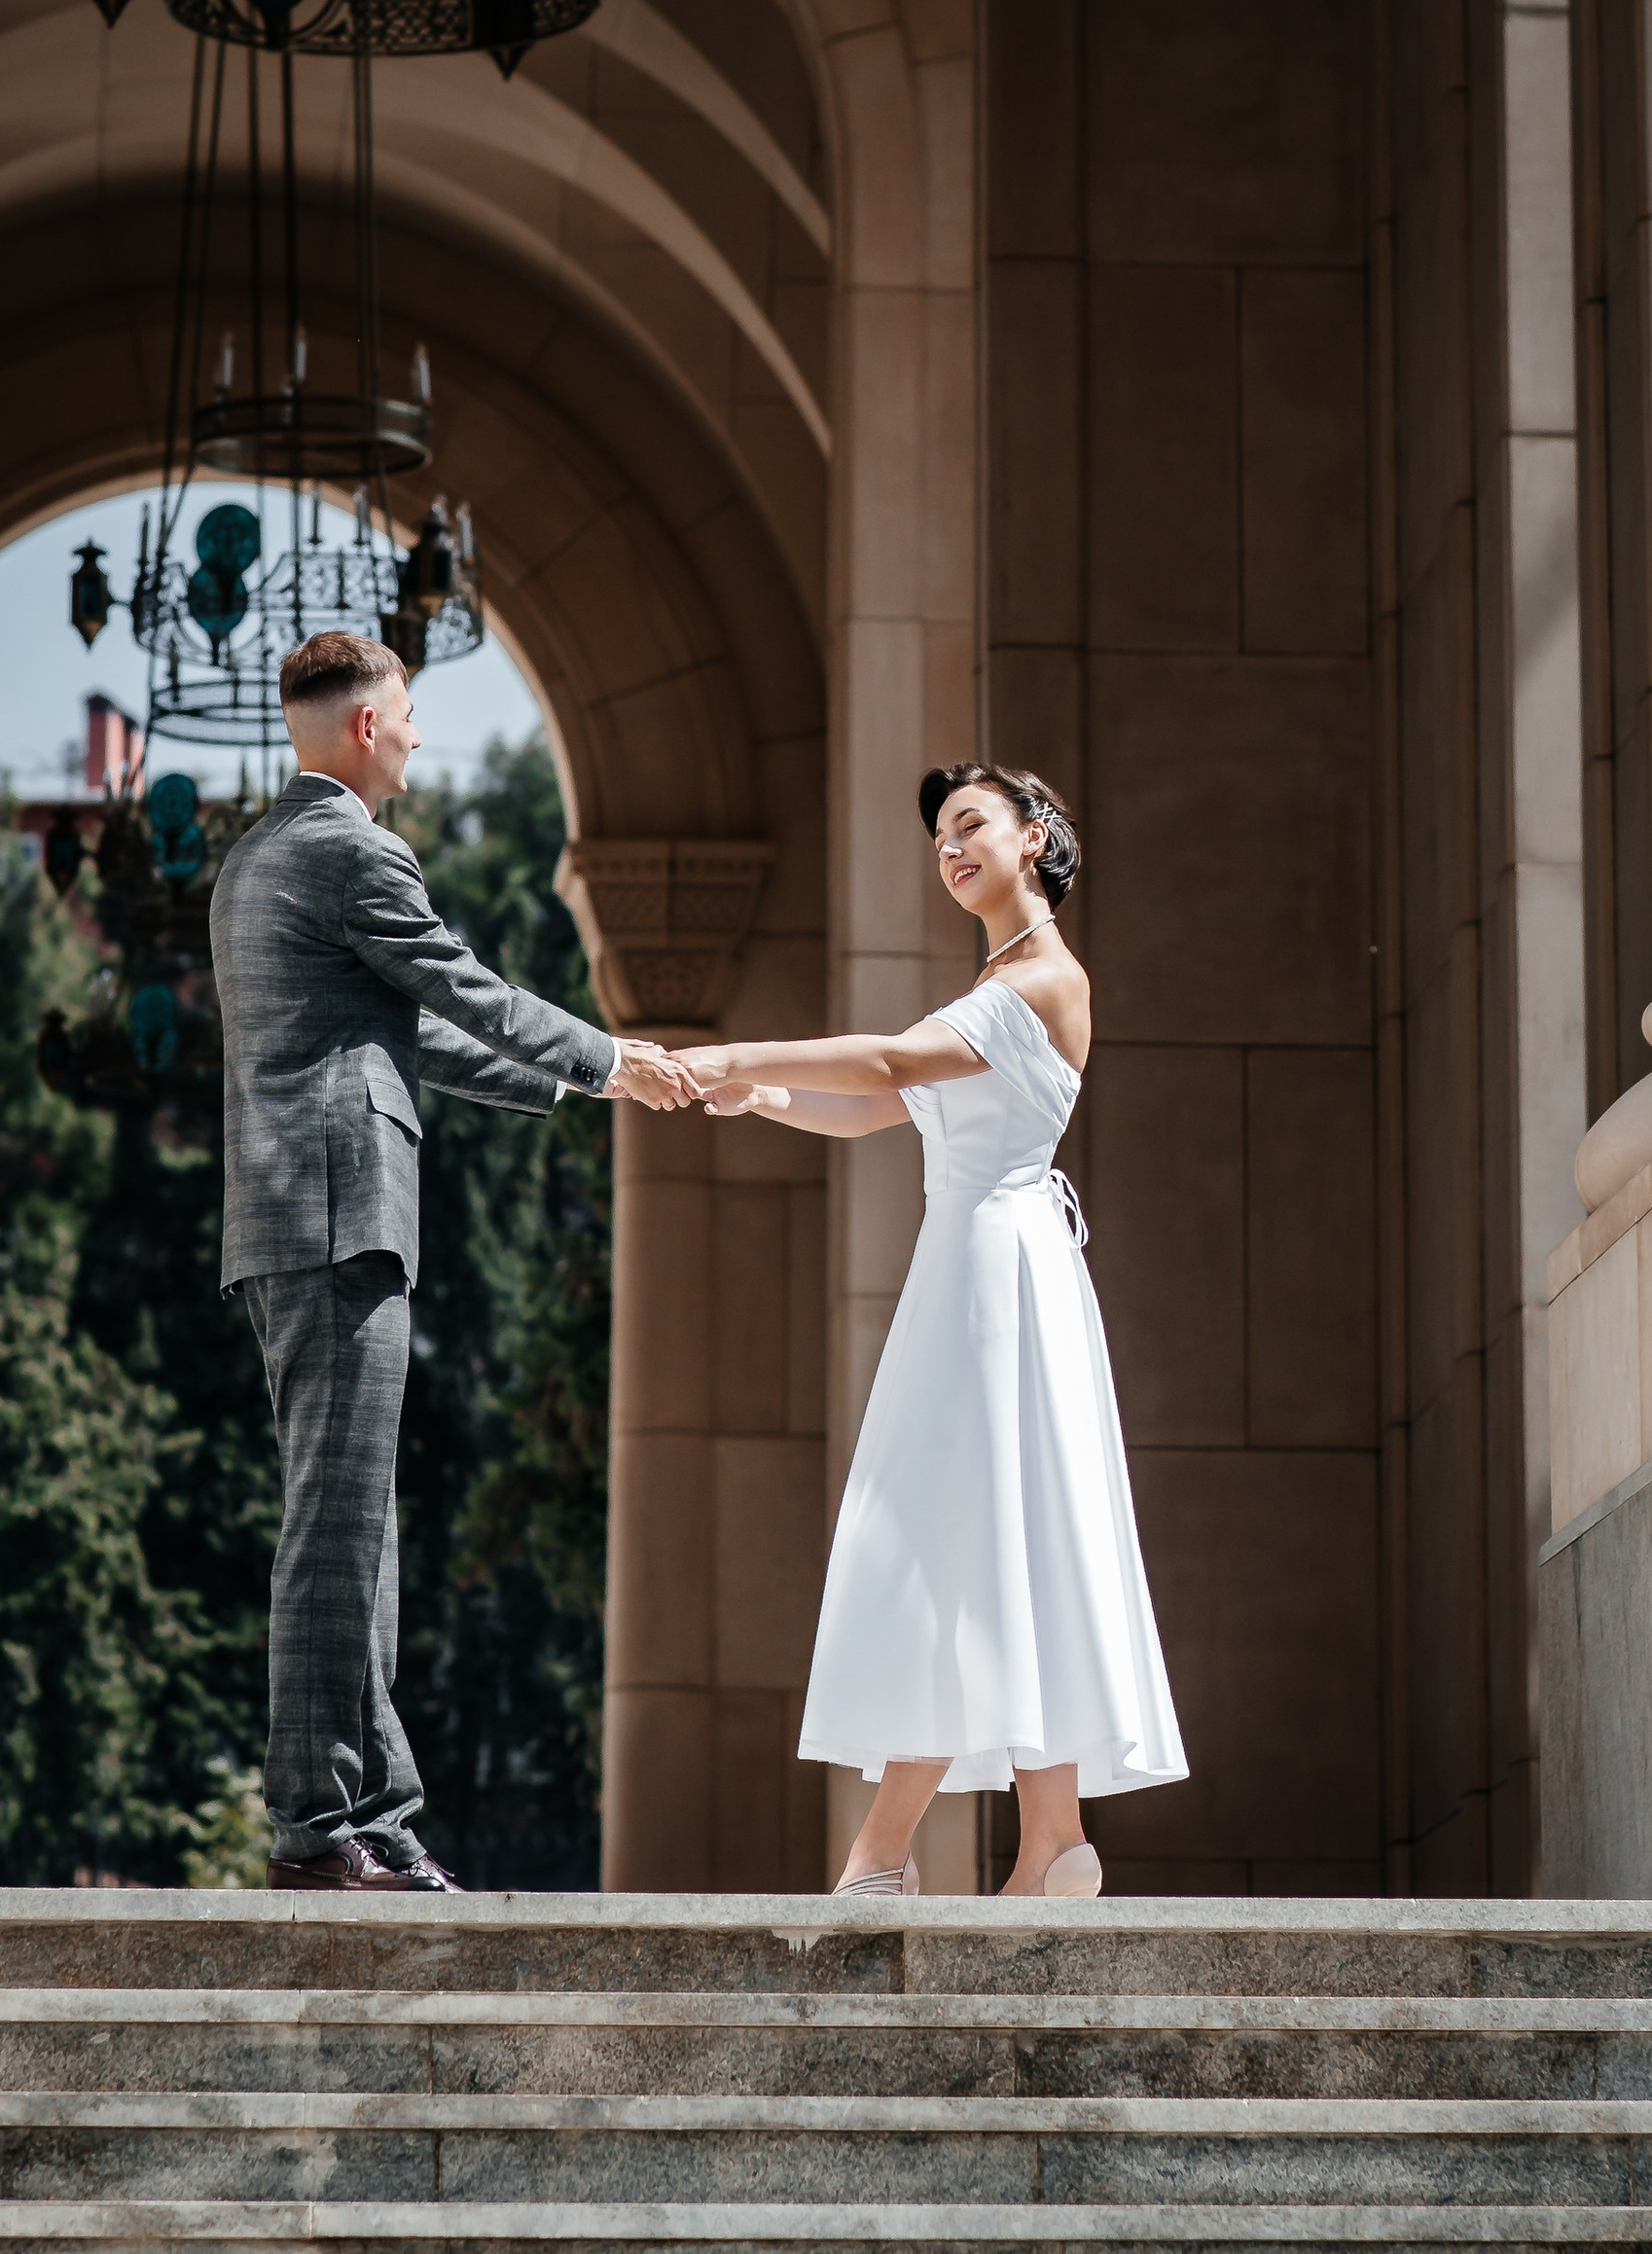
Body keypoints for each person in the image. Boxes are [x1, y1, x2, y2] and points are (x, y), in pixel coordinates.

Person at [207, 627, 689, 1892]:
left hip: (292, 1222)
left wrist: (578, 1091)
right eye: (409, 712)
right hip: (336, 1213)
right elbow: (460, 987)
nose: (420, 735)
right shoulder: (352, 851)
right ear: (366, 726)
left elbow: (406, 1031)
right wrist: (614, 1056)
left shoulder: (261, 856)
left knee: (353, 1525)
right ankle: (321, 1829)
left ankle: (372, 1816)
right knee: (335, 1529)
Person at [674, 761, 1184, 1896]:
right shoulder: (998, 982)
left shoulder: (1043, 978)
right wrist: (762, 1100)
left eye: (970, 826)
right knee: (994, 1537)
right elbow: (877, 1106)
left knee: (947, 1534)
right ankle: (1049, 1833)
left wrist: (735, 1055)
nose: (949, 848)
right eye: (940, 837)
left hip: (994, 1272)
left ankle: (884, 1850)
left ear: (1035, 836)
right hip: (976, 1264)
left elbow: (898, 1062)